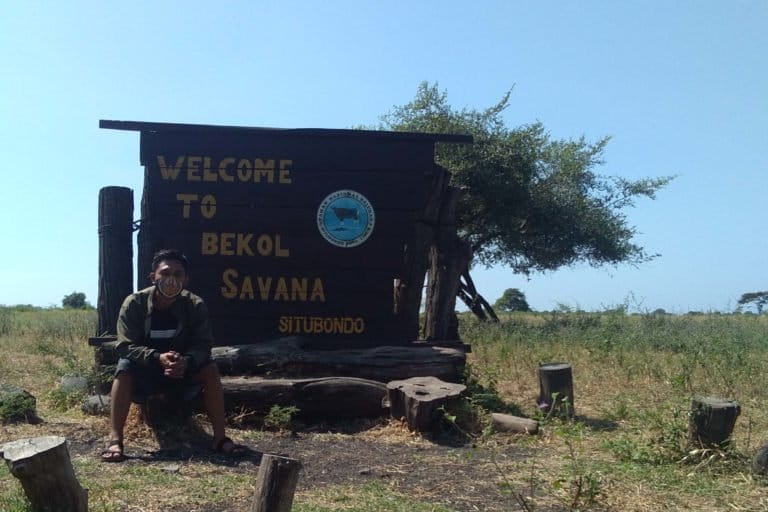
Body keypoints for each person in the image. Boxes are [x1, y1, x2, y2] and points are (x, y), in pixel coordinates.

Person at [101, 249, 245, 462]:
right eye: (166, 273)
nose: (171, 280)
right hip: (146, 374)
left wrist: (186, 361)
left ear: (186, 280)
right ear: (153, 277)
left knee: (210, 369)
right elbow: (124, 345)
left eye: (178, 274)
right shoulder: (134, 303)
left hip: (180, 374)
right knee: (124, 368)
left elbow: (203, 345)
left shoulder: (195, 305)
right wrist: (156, 358)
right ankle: (115, 440)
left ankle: (220, 438)